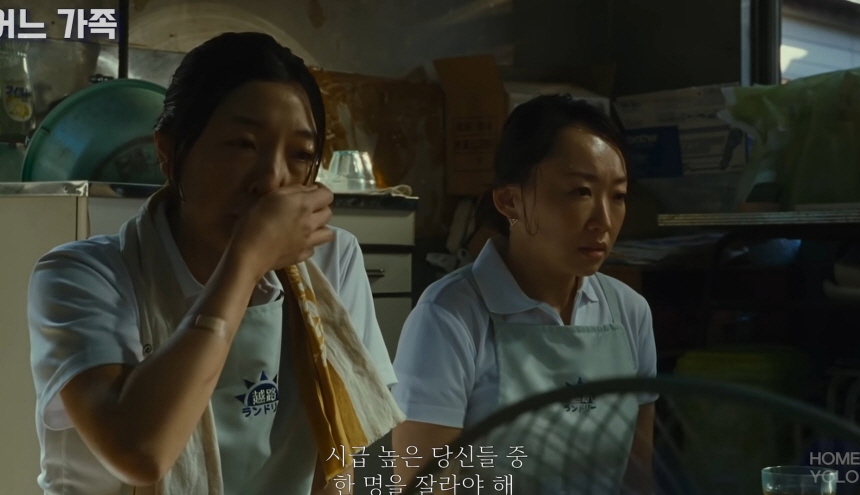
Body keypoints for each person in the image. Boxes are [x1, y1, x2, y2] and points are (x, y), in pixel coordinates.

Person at [28, 32, 397, 495]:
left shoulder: (329, 258)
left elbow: (354, 440)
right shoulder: (82, 276)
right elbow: (139, 453)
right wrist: (247, 260)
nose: (271, 180)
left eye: (300, 154)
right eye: (243, 144)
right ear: (168, 151)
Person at [391, 95, 658, 493]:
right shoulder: (449, 315)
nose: (603, 220)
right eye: (580, 192)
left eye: (617, 196)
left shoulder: (628, 311)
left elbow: (638, 476)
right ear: (509, 200)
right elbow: (424, 483)